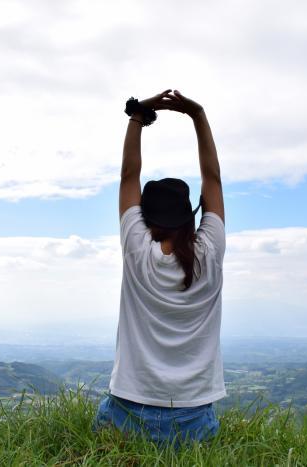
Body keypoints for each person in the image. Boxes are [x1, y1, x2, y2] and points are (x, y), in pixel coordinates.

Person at [92, 89, 226, 448]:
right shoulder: (210, 252)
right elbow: (212, 178)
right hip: (192, 416)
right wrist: (197, 115)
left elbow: (128, 176)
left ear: (146, 218)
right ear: (190, 216)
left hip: (127, 411)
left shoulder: (137, 249)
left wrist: (138, 117)